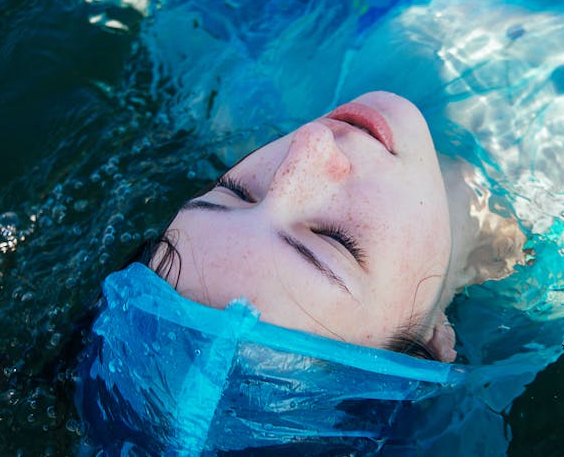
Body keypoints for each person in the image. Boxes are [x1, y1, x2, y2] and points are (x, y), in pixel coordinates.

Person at [126, 91, 527, 363]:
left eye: (236, 191)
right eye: (335, 239)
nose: (309, 141)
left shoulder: (223, 101)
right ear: (433, 336)